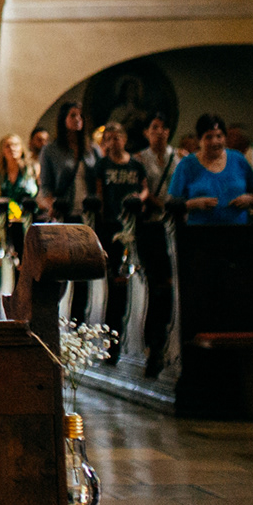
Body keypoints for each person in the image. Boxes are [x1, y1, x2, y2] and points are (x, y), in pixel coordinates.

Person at [91, 124, 147, 355]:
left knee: (135, 277)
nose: (114, 142)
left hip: (134, 225)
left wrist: (139, 198)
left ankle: (133, 332)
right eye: (110, 138)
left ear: (125, 139)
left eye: (118, 137)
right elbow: (99, 194)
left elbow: (145, 188)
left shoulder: (135, 164)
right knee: (115, 280)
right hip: (112, 226)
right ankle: (113, 336)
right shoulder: (102, 165)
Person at [133, 114, 181, 379]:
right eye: (154, 128)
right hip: (152, 226)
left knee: (172, 285)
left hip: (173, 225)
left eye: (163, 127)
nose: (159, 132)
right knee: (157, 285)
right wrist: (161, 204)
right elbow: (142, 190)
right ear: (146, 132)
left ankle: (168, 341)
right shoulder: (141, 159)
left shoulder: (178, 157)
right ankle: (154, 344)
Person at [169, 116, 253, 225]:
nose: (215, 142)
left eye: (219, 136)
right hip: (200, 232)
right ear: (199, 140)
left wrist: (251, 199)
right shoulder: (187, 164)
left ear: (225, 138)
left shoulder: (238, 159)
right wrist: (193, 204)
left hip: (238, 231)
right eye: (208, 137)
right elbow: (171, 204)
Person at [37, 103, 96, 223]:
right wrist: (52, 205)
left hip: (88, 212)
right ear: (63, 119)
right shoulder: (50, 150)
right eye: (73, 115)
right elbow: (46, 185)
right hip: (64, 210)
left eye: (80, 116)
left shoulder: (92, 149)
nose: (77, 119)